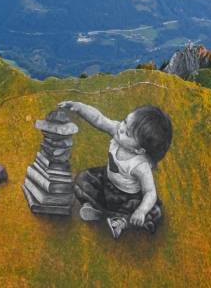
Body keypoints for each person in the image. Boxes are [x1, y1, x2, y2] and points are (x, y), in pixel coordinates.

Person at [57, 101, 172, 239]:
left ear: (139, 149)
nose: (121, 128)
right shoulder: (117, 131)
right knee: (82, 179)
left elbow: (150, 192)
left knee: (154, 213)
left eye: (128, 133)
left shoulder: (140, 166)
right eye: (125, 121)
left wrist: (141, 211)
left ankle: (121, 222)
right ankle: (97, 211)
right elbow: (99, 119)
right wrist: (79, 107)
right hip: (107, 182)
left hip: (127, 198)